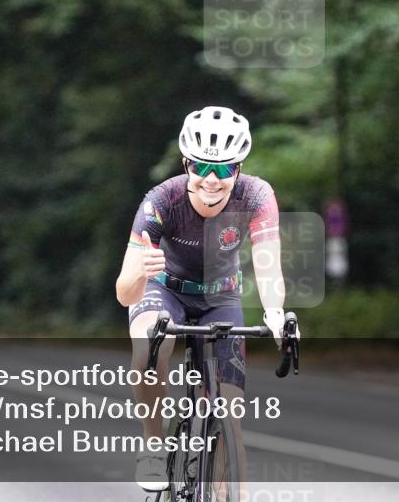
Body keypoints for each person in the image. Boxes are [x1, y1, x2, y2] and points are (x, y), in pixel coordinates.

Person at [115, 105, 290, 492]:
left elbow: (268, 265)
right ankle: (153, 445)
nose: (212, 179)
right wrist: (141, 272)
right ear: (186, 164)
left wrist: (275, 311)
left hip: (220, 295)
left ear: (239, 170)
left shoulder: (257, 196)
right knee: (149, 348)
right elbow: (124, 293)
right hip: (164, 288)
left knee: (230, 412)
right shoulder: (161, 201)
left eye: (224, 169)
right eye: (201, 167)